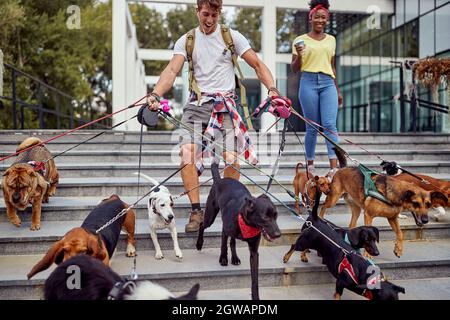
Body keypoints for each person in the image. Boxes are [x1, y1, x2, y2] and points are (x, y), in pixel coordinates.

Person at [147, 0, 279, 232]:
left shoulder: (232, 37)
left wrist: (273, 90)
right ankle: (197, 211)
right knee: (187, 153)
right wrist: (156, 94)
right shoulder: (187, 40)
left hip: (226, 105)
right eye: (205, 14)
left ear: (220, 12)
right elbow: (171, 70)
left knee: (231, 157)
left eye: (214, 15)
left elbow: (257, 65)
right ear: (197, 11)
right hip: (197, 105)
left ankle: (232, 206)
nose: (209, 20)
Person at [291, 0, 342, 181]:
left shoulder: (332, 40)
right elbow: (295, 68)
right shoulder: (300, 40)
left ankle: (334, 168)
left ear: (326, 19)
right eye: (317, 17)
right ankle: (310, 166)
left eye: (324, 18)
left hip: (328, 83)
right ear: (310, 18)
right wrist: (299, 54)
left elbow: (332, 67)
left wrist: (338, 90)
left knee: (330, 125)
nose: (320, 20)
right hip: (308, 82)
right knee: (311, 127)